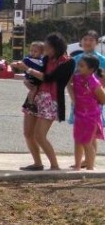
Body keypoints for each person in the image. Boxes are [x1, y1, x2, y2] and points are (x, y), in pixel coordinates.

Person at [13, 33, 73, 171]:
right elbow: (36, 75)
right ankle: (37, 163)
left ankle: (54, 165)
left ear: (56, 47)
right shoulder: (45, 59)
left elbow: (50, 78)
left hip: (51, 99)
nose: (45, 50)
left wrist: (27, 69)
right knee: (28, 133)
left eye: (48, 47)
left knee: (40, 135)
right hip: (35, 96)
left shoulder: (68, 62)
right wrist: (28, 80)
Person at [68, 30, 105, 164]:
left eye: (91, 40)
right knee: (79, 132)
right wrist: (73, 98)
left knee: (92, 133)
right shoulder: (75, 60)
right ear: (81, 41)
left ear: (96, 42)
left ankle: (90, 162)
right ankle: (82, 161)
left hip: (94, 103)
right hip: (78, 102)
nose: (88, 42)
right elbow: (70, 80)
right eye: (85, 39)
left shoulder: (102, 60)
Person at [20, 41, 45, 112]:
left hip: (34, 78)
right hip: (29, 79)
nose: (32, 53)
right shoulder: (28, 59)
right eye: (31, 51)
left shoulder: (41, 60)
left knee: (34, 90)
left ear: (42, 52)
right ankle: (30, 103)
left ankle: (29, 103)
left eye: (35, 51)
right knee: (33, 89)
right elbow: (21, 64)